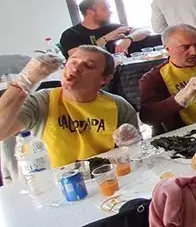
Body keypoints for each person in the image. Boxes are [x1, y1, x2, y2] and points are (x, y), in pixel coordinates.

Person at [0, 46, 137, 168]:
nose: (76, 68)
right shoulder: (41, 102)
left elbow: (135, 154)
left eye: (88, 66)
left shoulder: (119, 106)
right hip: (57, 184)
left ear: (105, 79)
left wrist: (131, 142)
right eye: (73, 61)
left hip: (106, 177)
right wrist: (25, 80)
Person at [60, 0, 159, 55]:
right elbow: (77, 54)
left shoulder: (112, 27)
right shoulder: (71, 34)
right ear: (90, 13)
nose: (110, 12)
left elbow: (144, 30)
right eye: (104, 9)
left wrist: (129, 39)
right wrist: (106, 38)